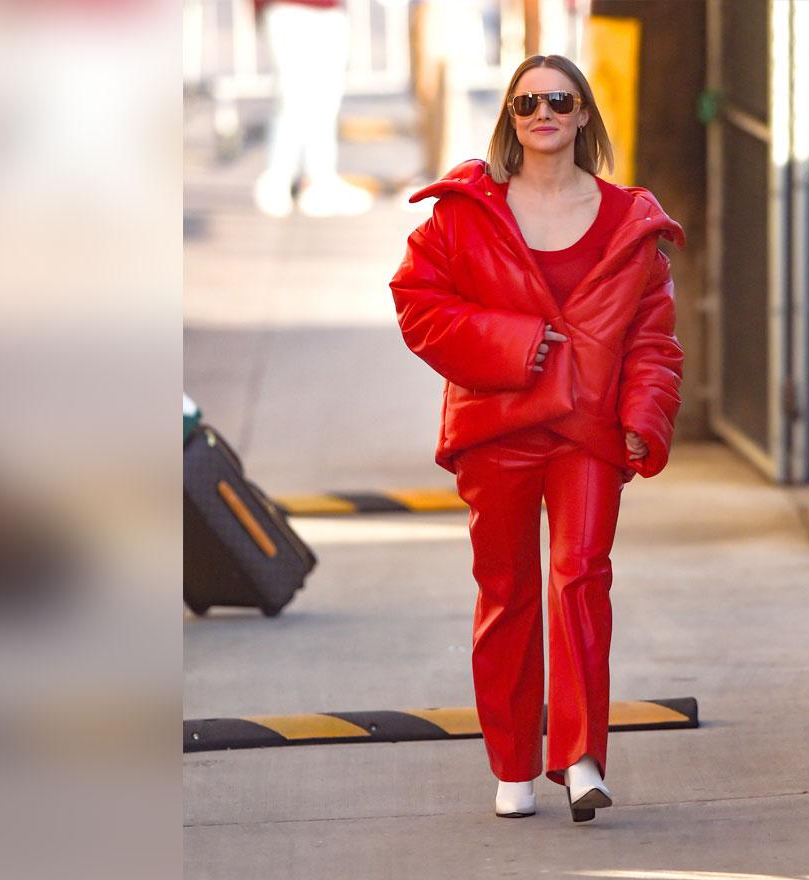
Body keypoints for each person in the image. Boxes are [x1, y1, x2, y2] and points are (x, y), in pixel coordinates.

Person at [388, 54, 684, 823]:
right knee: (507, 592)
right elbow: (418, 303)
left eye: (560, 99)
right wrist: (516, 343)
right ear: (509, 119)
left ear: (585, 114)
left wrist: (644, 417)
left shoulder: (628, 219)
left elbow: (654, 339)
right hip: (498, 428)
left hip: (585, 433)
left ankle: (581, 756)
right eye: (527, 103)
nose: (543, 113)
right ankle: (513, 763)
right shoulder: (465, 212)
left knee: (582, 580)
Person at [251, 0, 373, 218]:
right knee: (293, 97)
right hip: (286, 7)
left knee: (326, 100)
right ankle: (279, 178)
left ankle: (319, 180)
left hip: (329, 9)